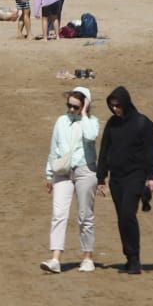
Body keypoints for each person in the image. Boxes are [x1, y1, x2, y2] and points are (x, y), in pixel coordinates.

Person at [95, 87, 153, 275]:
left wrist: (151, 177)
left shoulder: (143, 123)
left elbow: (150, 151)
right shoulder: (112, 124)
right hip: (116, 178)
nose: (115, 109)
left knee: (127, 214)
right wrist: (101, 178)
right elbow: (105, 151)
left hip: (135, 176)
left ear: (126, 103)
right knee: (122, 218)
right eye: (112, 106)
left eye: (118, 105)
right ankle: (129, 257)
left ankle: (134, 258)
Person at [41, 87, 101, 274]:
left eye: (76, 107)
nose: (71, 110)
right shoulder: (61, 121)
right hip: (63, 172)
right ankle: (55, 259)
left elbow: (91, 136)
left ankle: (87, 257)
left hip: (86, 171)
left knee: (85, 216)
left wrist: (84, 115)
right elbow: (54, 147)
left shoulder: (91, 122)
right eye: (69, 106)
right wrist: (49, 174)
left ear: (84, 106)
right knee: (59, 214)